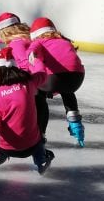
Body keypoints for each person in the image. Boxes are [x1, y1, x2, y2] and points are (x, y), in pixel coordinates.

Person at [0, 46, 55, 175]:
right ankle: (41, 159)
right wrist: (37, 59)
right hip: (32, 145)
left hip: (7, 148)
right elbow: (42, 74)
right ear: (15, 67)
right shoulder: (28, 84)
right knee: (39, 103)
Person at [28, 17, 86, 147]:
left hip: (54, 79)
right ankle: (76, 125)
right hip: (77, 78)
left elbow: (31, 53)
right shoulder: (65, 41)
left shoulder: (39, 42)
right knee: (67, 92)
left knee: (39, 94)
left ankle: (40, 134)